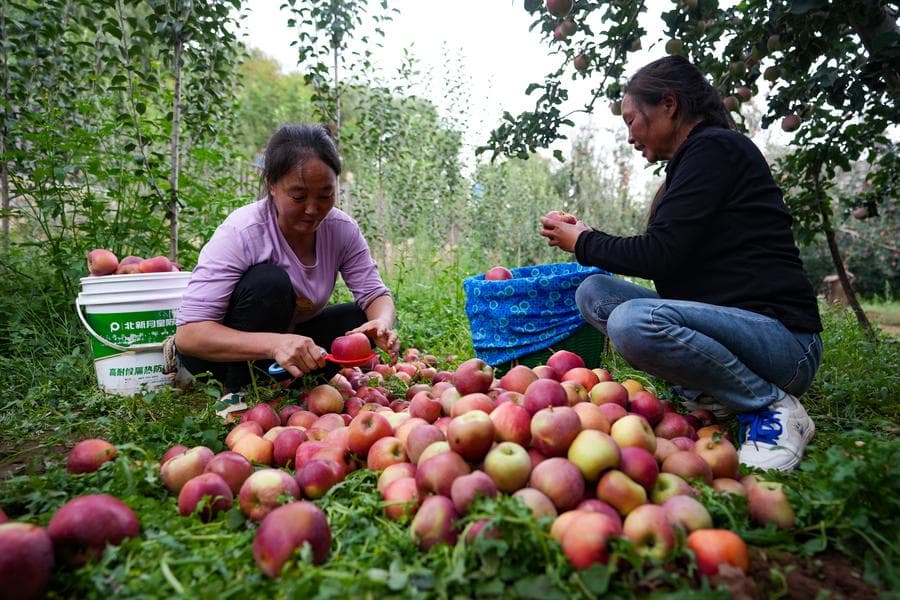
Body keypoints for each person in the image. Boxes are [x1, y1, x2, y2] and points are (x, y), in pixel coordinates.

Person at [539, 55, 823, 472]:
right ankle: (714, 392)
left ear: (669, 105)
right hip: (735, 333)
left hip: (784, 343)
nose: (631, 135)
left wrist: (583, 242)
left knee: (630, 322)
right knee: (595, 293)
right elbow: (667, 256)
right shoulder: (692, 163)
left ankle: (772, 406)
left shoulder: (715, 149)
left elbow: (659, 255)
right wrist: (586, 236)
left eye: (632, 119)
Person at [174, 124, 399, 400]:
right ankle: (235, 392)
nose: (313, 209)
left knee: (358, 319)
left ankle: (286, 391)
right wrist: (274, 344)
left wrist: (381, 322)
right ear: (271, 184)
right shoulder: (243, 232)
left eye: (326, 195)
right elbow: (189, 335)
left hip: (287, 347)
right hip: (221, 357)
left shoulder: (341, 229)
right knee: (269, 283)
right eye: (298, 196)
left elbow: (375, 293)